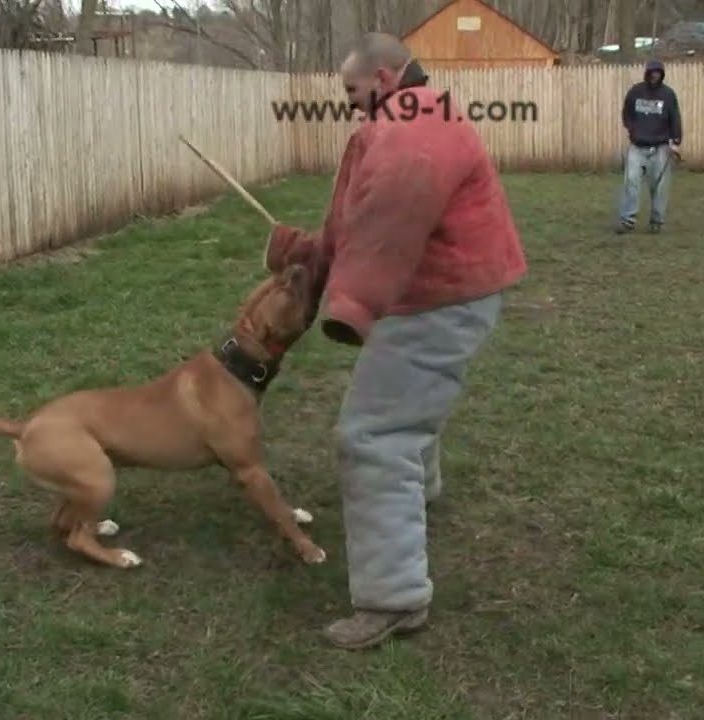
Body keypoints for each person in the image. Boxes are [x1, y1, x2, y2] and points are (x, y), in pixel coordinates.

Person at [263, 32, 527, 650]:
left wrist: (350, 303)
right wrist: (305, 254)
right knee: (408, 408)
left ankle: (394, 599)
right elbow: (358, 222)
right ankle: (418, 498)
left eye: (352, 91)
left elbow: (386, 226)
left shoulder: (411, 131)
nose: (349, 102)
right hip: (450, 292)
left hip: (441, 300)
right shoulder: (418, 114)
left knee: (374, 435)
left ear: (384, 79)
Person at [616, 59, 682, 234]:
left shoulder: (668, 95)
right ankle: (627, 220)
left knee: (659, 186)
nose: (655, 75)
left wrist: (675, 142)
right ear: (647, 73)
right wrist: (633, 129)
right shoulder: (635, 92)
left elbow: (675, 118)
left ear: (661, 74)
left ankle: (657, 221)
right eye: (652, 72)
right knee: (631, 182)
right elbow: (626, 114)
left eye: (658, 73)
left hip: (660, 147)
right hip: (637, 146)